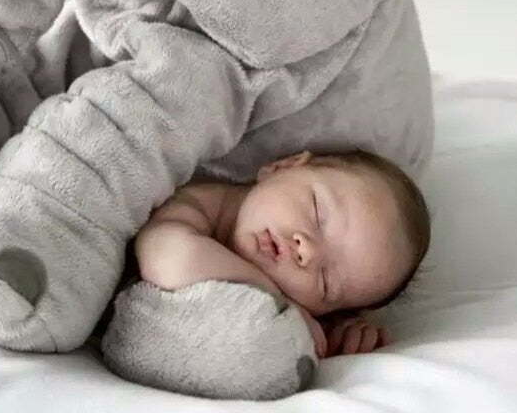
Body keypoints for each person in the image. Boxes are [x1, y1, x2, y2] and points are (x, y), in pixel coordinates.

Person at [134, 148, 431, 359]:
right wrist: (280, 302)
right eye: (317, 213)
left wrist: (337, 334)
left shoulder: (302, 310)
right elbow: (171, 261)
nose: (307, 250)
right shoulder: (194, 203)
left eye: (325, 281)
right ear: (284, 166)